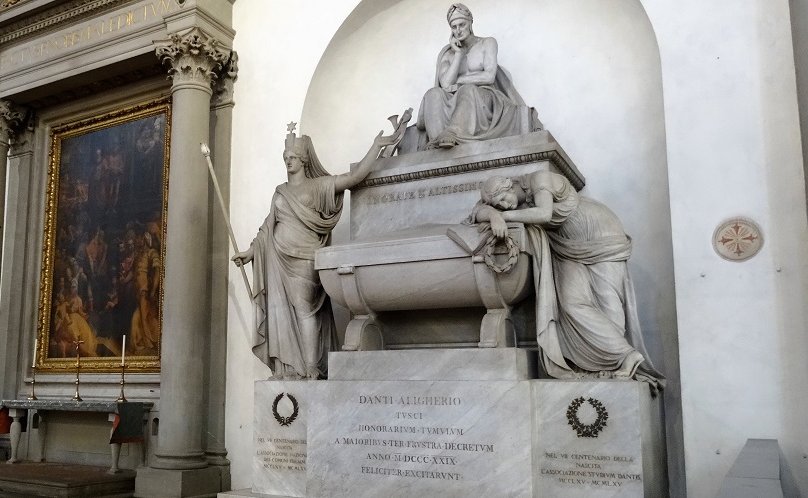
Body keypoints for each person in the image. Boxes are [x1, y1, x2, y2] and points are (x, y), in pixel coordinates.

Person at [233, 119, 406, 380]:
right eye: (286, 157)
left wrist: (376, 147)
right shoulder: (279, 191)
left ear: (303, 160)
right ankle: (291, 367)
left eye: (293, 156)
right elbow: (268, 227)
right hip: (277, 258)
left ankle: (311, 365)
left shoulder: (319, 186)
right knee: (281, 312)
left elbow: (353, 178)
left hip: (304, 259)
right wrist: (249, 252)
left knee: (304, 309)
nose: (288, 161)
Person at [471, 170, 664, 391]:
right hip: (566, 246)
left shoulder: (539, 179)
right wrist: (493, 215)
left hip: (600, 234)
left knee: (608, 303)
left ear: (510, 186)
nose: (505, 206)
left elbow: (544, 214)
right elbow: (476, 211)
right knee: (572, 303)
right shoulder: (512, 207)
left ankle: (618, 362)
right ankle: (622, 356)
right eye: (499, 205)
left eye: (504, 199)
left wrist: (503, 217)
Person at [417, 3, 525, 148]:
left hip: (484, 98)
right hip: (456, 98)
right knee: (432, 94)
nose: (458, 30)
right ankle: (437, 141)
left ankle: (453, 132)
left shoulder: (487, 43)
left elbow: (489, 77)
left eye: (462, 24)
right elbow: (446, 84)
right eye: (454, 27)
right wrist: (458, 54)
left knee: (467, 89)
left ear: (470, 23)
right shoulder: (448, 54)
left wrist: (460, 81)